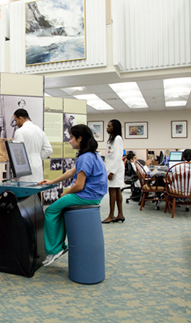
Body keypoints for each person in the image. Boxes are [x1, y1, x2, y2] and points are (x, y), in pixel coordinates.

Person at [38, 124, 108, 266]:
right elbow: (71, 172)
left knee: (50, 211)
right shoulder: (92, 155)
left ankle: (54, 249)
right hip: (94, 195)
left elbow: (79, 186)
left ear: (80, 138)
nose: (69, 141)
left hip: (87, 196)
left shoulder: (85, 157)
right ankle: (59, 245)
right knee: (60, 209)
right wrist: (52, 181)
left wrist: (65, 193)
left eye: (71, 138)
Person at [12, 109, 53, 182]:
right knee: (36, 191)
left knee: (24, 192)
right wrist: (37, 157)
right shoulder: (39, 130)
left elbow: (18, 153)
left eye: (16, 120)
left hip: (24, 170)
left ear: (20, 119)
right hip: (37, 168)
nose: (15, 123)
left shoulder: (20, 131)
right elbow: (48, 150)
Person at [102, 119, 126, 223]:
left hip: (115, 169)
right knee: (116, 190)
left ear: (114, 128)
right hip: (112, 168)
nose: (107, 128)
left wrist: (112, 172)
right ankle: (120, 214)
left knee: (113, 191)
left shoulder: (118, 138)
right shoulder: (112, 139)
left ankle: (111, 215)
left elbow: (118, 156)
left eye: (109, 126)